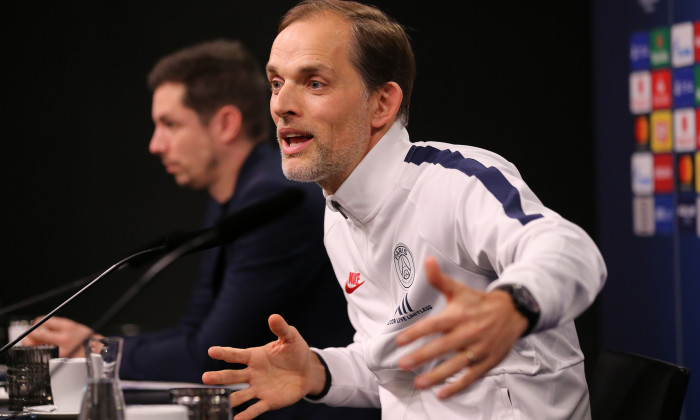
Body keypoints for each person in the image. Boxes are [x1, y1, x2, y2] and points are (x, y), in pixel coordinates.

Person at [200, 1, 608, 420]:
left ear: (381, 104)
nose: (281, 104)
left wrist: (512, 306)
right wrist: (317, 371)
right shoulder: (337, 215)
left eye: (314, 83)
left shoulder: (454, 182)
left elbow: (572, 251)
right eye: (275, 83)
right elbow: (392, 362)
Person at [23, 38, 380, 420]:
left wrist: (96, 350)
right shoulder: (236, 194)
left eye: (170, 124)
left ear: (226, 124)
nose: (155, 145)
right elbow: (195, 329)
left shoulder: (274, 202)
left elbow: (207, 353)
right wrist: (98, 346)